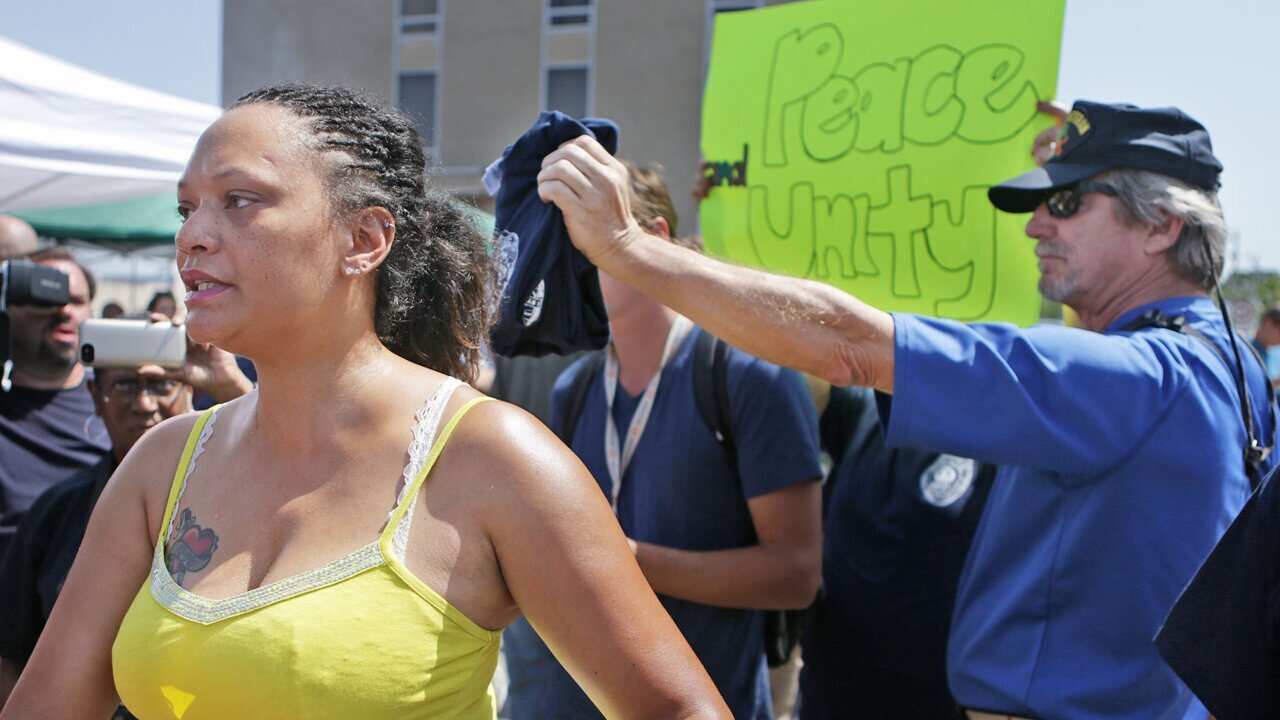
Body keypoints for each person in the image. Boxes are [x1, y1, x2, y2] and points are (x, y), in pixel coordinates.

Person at [0, 84, 728, 720]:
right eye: (187, 208)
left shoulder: (490, 458)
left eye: (240, 200)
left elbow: (677, 707)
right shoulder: (163, 464)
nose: (192, 238)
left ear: (365, 239)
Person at [537, 100, 1278, 719]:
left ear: (1163, 225)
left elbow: (852, 348)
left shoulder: (1133, 377)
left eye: (1067, 202)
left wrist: (627, 246)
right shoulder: (1230, 367)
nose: (1034, 226)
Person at [502, 162, 823, 720]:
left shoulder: (747, 376)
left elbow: (796, 576)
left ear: (652, 240)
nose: (570, 268)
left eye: (587, 240)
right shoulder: (577, 387)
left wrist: (627, 562)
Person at [0, 331, 251, 715]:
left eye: (162, 383)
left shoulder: (246, 497)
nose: (144, 404)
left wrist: (232, 388)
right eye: (125, 386)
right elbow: (13, 655)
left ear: (189, 388)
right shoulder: (57, 511)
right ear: (94, 399)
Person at [798, 383, 994, 719]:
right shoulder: (864, 409)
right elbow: (804, 376)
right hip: (831, 695)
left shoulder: (1004, 437)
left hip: (935, 701)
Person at [0, 248, 110, 561]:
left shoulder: (121, 400)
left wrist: (225, 384)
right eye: (44, 297)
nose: (63, 310)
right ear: (9, 306)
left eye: (76, 301)